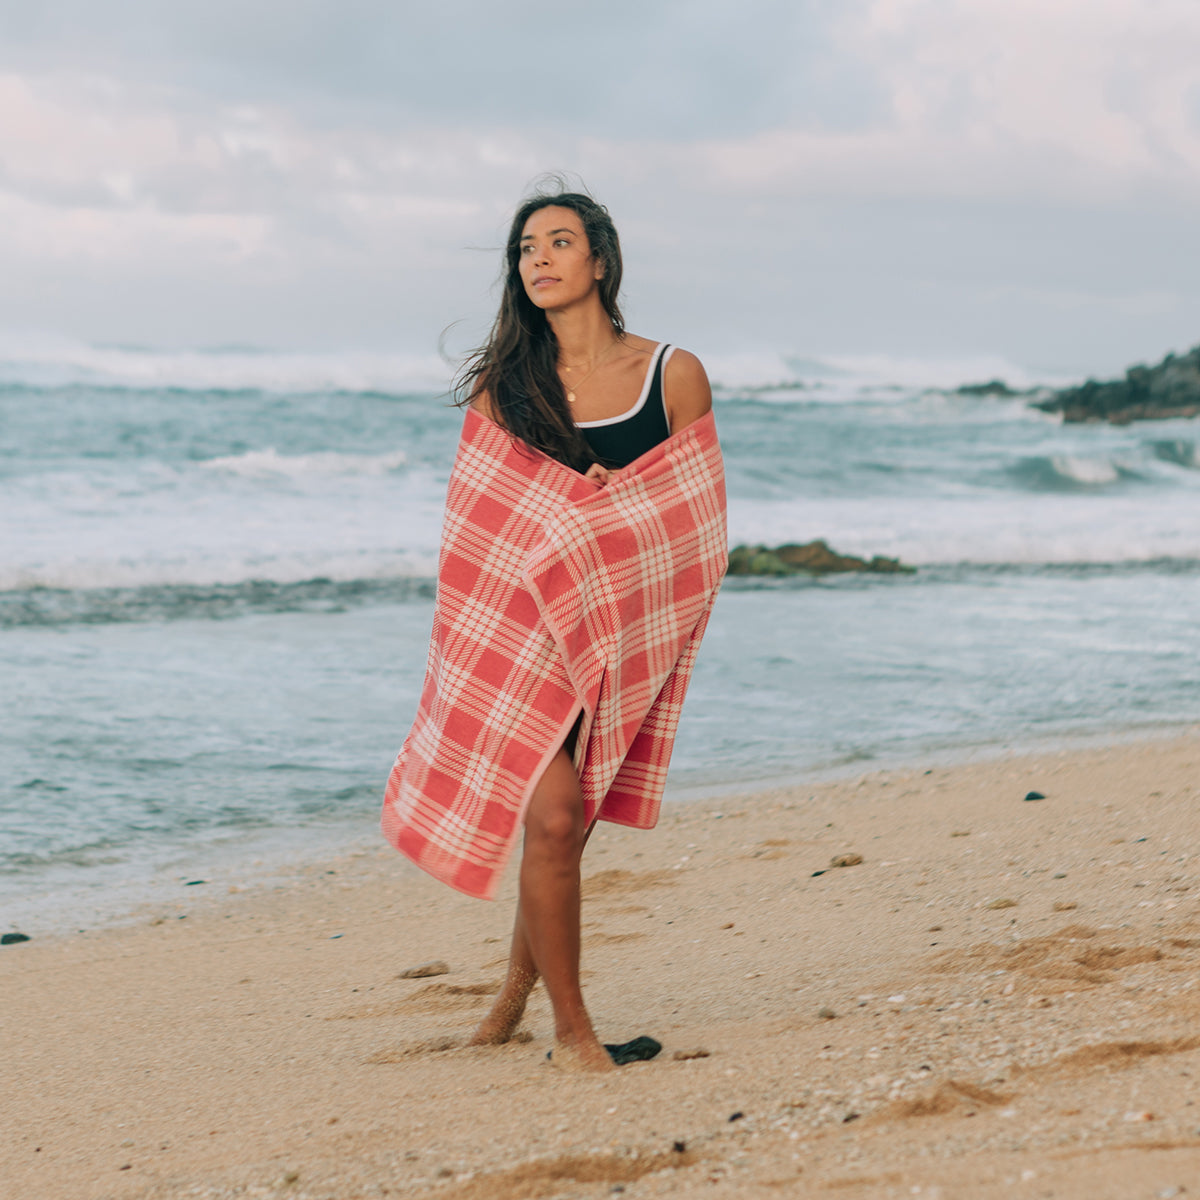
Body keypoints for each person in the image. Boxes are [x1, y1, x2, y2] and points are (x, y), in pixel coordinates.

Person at [381, 186, 725, 1073]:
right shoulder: (505, 389)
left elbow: (695, 519)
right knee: (559, 817)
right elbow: (481, 526)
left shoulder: (672, 375)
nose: (538, 258)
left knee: (559, 833)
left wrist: (619, 507)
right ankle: (574, 1034)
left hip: (613, 637)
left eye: (559, 242)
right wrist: (574, 508)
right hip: (519, 635)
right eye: (526, 248)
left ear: (600, 261)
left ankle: (510, 998)